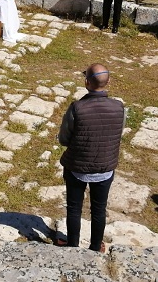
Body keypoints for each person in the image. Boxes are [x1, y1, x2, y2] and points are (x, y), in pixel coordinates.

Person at [57, 63, 125, 252]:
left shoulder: (77, 108)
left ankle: (72, 244)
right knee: (98, 209)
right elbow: (118, 133)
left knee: (74, 207)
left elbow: (64, 138)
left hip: (77, 167)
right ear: (108, 81)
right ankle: (96, 246)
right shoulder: (119, 107)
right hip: (105, 167)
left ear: (86, 82)